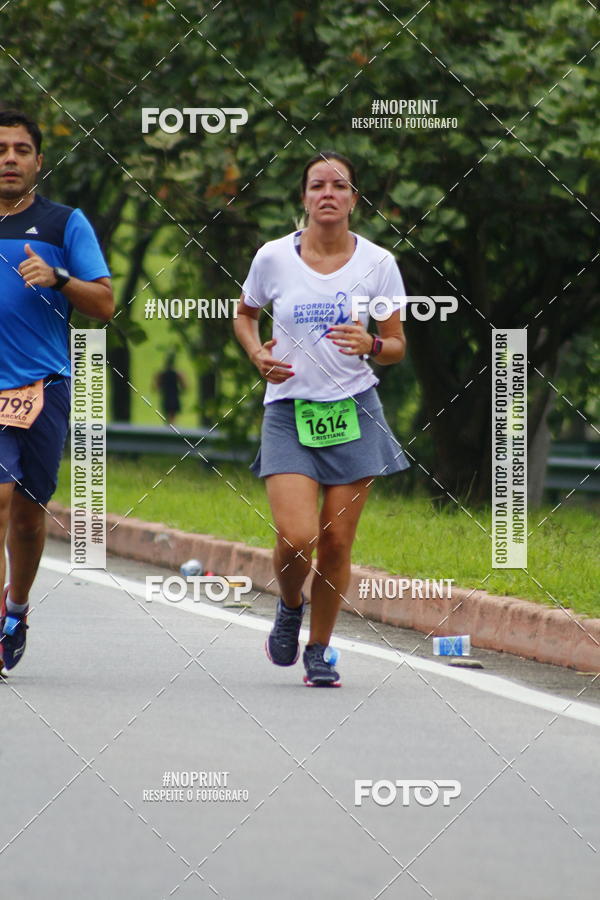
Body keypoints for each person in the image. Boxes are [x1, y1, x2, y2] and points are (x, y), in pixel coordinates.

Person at [234, 150, 409, 687]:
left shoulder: (378, 263)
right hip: (289, 412)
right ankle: (290, 605)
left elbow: (397, 345)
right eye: (317, 185)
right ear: (304, 198)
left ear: (354, 199)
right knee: (297, 534)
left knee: (335, 543)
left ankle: (320, 649)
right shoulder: (273, 258)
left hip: (354, 411)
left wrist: (372, 342)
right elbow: (245, 315)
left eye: (339, 185)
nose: (328, 193)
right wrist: (257, 355)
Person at [0, 108, 114, 673]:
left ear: (39, 162)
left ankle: (15, 608)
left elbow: (105, 304)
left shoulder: (64, 223)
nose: (10, 159)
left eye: (21, 150)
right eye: (1, 149)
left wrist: (60, 278)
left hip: (41, 388)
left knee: (26, 513)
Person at [154, 352, 187, 425]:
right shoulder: (178, 374)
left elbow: (156, 387)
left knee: (167, 418)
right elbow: (184, 387)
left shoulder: (161, 374)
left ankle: (169, 430)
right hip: (174, 397)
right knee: (172, 418)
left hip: (166, 397)